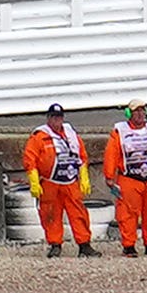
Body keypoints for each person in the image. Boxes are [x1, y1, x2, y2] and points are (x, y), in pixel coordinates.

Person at [24, 106, 93, 256]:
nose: (57, 120)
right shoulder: (39, 136)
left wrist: (84, 177)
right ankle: (55, 245)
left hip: (70, 182)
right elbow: (30, 160)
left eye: (59, 117)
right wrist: (34, 181)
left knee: (79, 214)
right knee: (50, 215)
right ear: (48, 118)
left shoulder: (71, 135)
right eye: (53, 117)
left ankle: (84, 245)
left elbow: (82, 156)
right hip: (50, 182)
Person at [108, 105, 147, 257]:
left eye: (142, 111)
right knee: (127, 214)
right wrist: (109, 176)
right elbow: (111, 154)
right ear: (129, 114)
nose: (140, 114)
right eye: (136, 111)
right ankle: (129, 246)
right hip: (129, 179)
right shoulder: (119, 131)